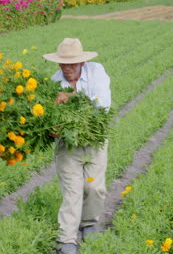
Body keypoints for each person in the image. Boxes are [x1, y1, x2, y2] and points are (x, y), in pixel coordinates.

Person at [43, 38, 111, 254]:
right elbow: (53, 121)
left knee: (92, 186)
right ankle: (67, 240)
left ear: (81, 62)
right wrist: (52, 125)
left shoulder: (96, 72)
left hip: (94, 142)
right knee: (72, 191)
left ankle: (89, 223)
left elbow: (102, 105)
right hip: (68, 145)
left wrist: (69, 98)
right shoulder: (55, 82)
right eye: (63, 64)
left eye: (72, 64)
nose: (68, 69)